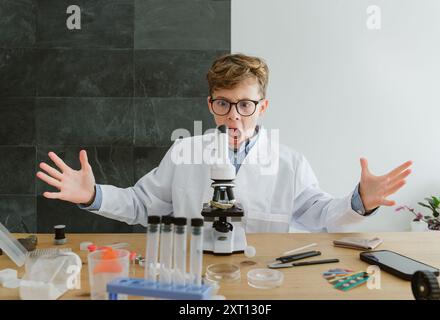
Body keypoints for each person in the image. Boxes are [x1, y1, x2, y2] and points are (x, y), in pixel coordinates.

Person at [36, 53, 412, 232]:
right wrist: (92, 195)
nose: (234, 115)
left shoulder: (289, 162)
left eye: (246, 104)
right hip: (197, 279)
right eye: (224, 103)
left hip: (265, 282)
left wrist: (360, 201)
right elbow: (140, 204)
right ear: (211, 104)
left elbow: (322, 216)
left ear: (262, 106)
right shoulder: (185, 152)